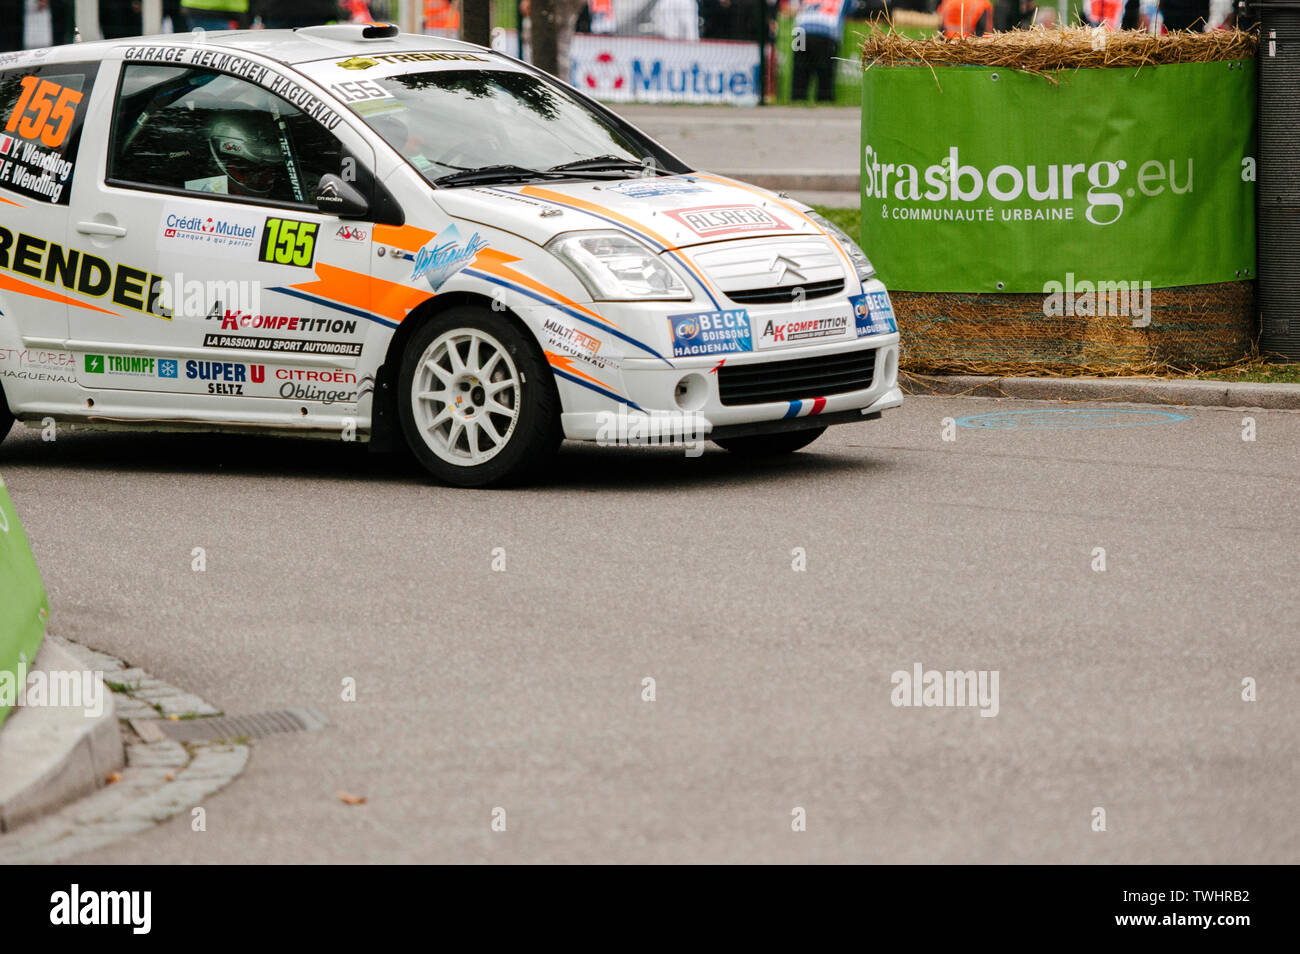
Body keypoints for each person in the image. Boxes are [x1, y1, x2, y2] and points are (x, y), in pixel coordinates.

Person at [791, 0, 852, 103]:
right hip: (826, 32)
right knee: (825, 74)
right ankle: (824, 101)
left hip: (802, 31)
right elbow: (852, 10)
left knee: (800, 71)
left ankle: (797, 101)